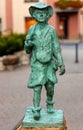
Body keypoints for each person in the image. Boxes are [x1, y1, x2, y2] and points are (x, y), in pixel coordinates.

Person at [24, 2, 65, 120]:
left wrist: (61, 63)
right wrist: (28, 44)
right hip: (37, 64)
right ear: (34, 16)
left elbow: (56, 48)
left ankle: (50, 102)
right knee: (37, 88)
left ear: (48, 15)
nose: (41, 15)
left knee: (50, 87)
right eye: (38, 13)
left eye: (43, 13)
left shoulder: (51, 30)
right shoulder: (32, 29)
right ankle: (36, 109)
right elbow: (27, 50)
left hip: (49, 64)